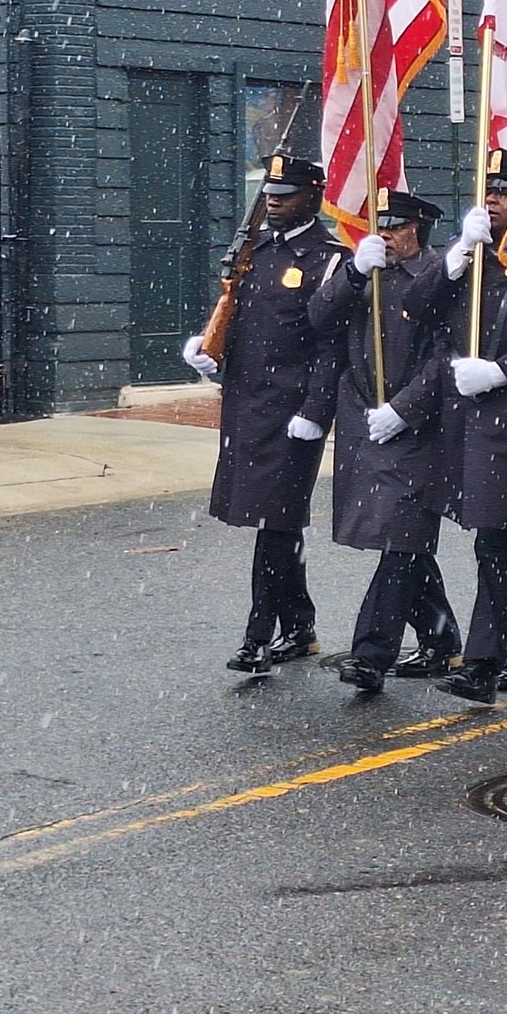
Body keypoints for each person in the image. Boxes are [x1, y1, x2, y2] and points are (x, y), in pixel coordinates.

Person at [404, 149, 507, 705]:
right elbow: (415, 308)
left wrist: (503, 370)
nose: (493, 201)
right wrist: (455, 256)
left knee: (499, 541)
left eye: (504, 192)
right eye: (488, 192)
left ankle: (482, 664)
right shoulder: (476, 257)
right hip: (472, 423)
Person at [181, 155, 347, 677]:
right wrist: (211, 354)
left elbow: (330, 345)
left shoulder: (326, 259)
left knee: (274, 525)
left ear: (313, 196)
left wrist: (317, 411)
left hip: (291, 410)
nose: (274, 200)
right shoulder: (255, 249)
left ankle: (258, 635)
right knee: (274, 522)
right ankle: (298, 626)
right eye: (270, 192)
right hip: (247, 405)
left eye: (287, 193)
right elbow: (240, 320)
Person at [308, 187, 462, 693]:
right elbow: (318, 318)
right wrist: (352, 273)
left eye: (397, 227)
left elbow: (446, 355)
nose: (387, 235)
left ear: (419, 228)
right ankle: (441, 641)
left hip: (416, 427)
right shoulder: (362, 273)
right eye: (382, 226)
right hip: (363, 421)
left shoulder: (439, 277)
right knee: (404, 541)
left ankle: (371, 655)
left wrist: (406, 408)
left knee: (399, 537)